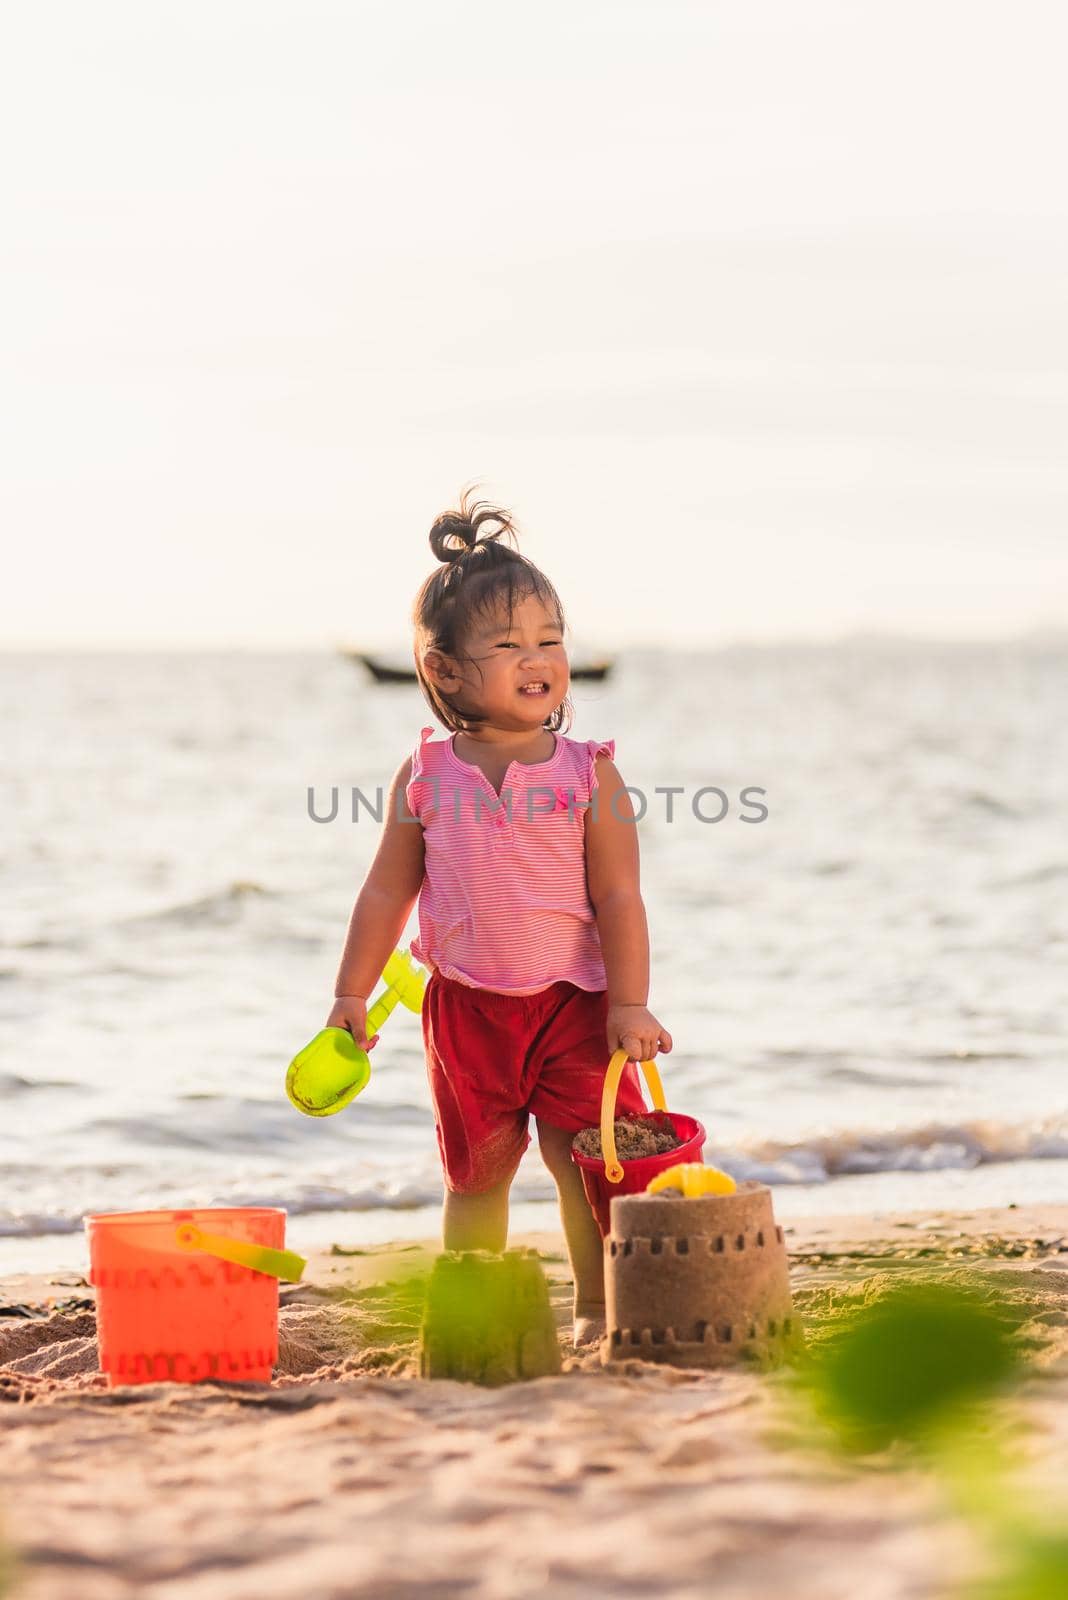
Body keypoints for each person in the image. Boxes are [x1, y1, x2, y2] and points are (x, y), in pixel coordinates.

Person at [328, 489, 672, 1345]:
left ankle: (597, 1314)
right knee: (475, 1174)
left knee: (583, 1166)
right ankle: (473, 1317)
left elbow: (620, 899)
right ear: (444, 670)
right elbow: (384, 892)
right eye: (510, 642)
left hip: (574, 1006)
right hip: (467, 1008)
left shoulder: (590, 774)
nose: (540, 657)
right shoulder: (426, 774)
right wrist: (349, 995)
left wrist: (629, 1004)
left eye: (551, 639)